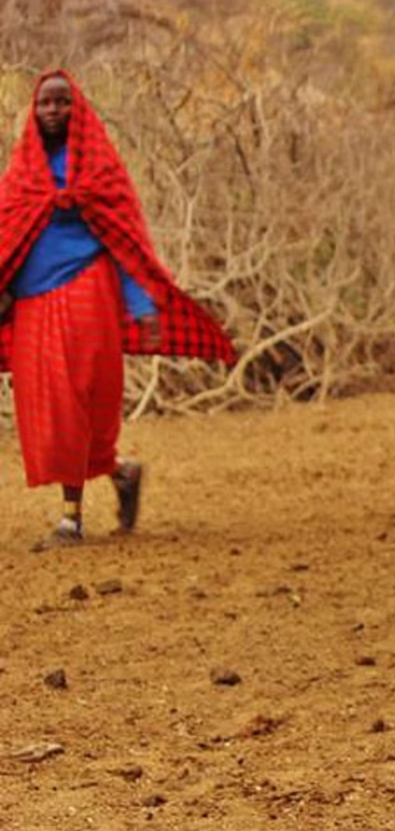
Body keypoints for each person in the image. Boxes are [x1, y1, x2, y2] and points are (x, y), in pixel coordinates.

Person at [0, 69, 236, 550]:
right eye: (45, 103)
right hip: (32, 304)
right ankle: (122, 472)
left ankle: (70, 520)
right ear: (33, 110)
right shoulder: (22, 172)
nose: (53, 111)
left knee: (76, 401)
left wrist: (141, 304)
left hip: (88, 291)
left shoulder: (101, 170)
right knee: (42, 408)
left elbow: (125, 242)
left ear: (78, 110)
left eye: (62, 103)